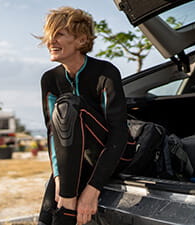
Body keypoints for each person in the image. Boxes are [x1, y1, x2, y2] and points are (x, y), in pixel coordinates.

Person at [36, 7, 129, 225]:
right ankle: (65, 205)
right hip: (75, 157)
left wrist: (93, 189)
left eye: (59, 34)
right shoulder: (49, 79)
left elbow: (119, 132)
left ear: (81, 40)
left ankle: (68, 205)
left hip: (114, 153)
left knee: (68, 106)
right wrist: (58, 177)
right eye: (49, 35)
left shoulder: (106, 72)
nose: (50, 41)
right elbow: (52, 133)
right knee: (46, 216)